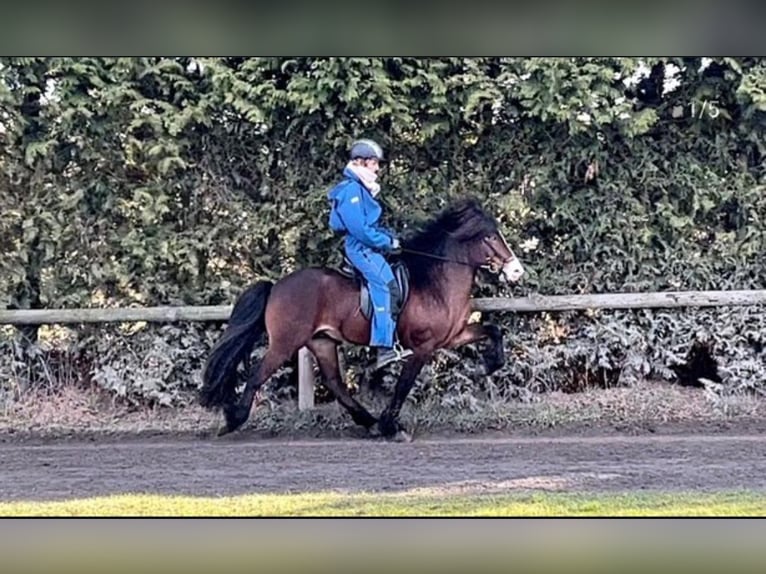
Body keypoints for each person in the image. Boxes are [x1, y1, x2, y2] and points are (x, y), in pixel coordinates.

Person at [327, 138, 412, 366]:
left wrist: (393, 238)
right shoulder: (351, 190)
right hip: (361, 248)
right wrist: (388, 242)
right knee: (385, 285)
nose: (378, 168)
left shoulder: (361, 189)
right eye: (375, 163)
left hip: (368, 245)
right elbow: (361, 230)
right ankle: (384, 347)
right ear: (362, 162)